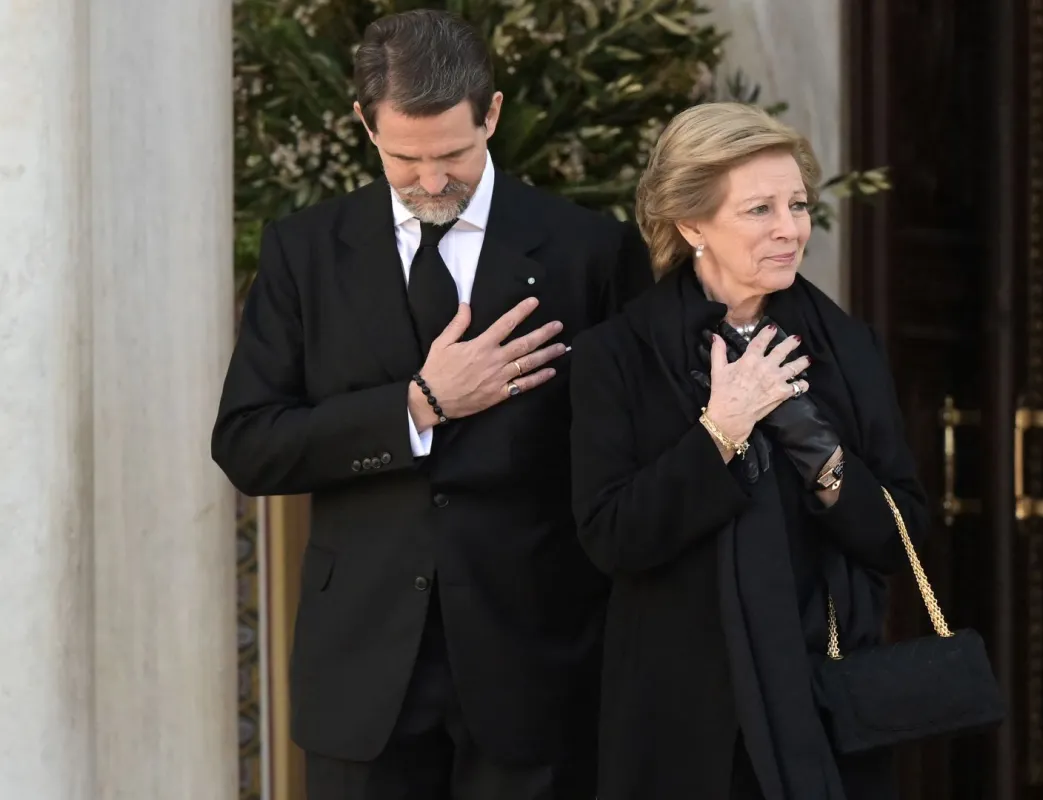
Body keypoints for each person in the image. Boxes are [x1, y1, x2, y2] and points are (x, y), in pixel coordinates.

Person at [211, 10, 652, 799]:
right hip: (362, 675)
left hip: (539, 666)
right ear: (363, 125)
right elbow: (248, 444)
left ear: (492, 114)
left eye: (453, 153)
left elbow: (626, 460)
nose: (432, 180)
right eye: (404, 158)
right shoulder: (304, 251)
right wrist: (417, 405)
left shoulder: (592, 251)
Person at [568, 102, 929, 800]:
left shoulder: (846, 347)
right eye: (760, 209)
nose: (791, 230)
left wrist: (819, 454)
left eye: (796, 204)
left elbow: (901, 535)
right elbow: (611, 537)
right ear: (691, 222)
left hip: (823, 700)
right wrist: (721, 431)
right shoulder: (617, 356)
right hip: (682, 724)